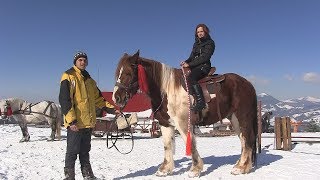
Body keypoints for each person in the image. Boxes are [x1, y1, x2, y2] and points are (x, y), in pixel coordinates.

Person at [59, 51, 118, 180]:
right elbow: (64, 100)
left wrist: (113, 110)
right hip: (75, 123)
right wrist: (72, 121)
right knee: (72, 152)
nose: (83, 62)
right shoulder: (68, 76)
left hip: (88, 123)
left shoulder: (90, 81)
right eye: (80, 60)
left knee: (85, 152)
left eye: (85, 60)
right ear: (75, 61)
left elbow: (99, 99)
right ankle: (69, 177)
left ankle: (88, 176)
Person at [180, 23, 215, 112]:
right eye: (198, 32)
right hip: (195, 67)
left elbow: (205, 57)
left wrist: (190, 65)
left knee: (192, 77)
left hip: (204, 67)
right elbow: (191, 57)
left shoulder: (210, 43)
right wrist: (186, 62)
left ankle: (201, 102)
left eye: (201, 31)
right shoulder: (196, 44)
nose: (200, 33)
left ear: (205, 32)